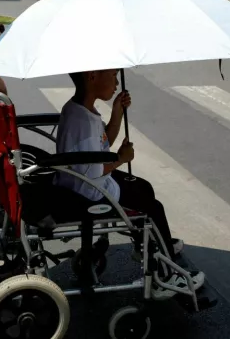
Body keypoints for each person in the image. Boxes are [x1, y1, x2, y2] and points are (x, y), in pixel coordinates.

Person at [57, 69, 205, 299]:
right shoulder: (83, 122)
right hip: (90, 192)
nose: (116, 82)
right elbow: (95, 168)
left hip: (86, 183)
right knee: (153, 208)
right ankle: (165, 276)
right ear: (92, 76)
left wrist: (116, 112)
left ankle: (153, 243)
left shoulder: (79, 110)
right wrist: (120, 159)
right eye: (113, 75)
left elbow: (102, 145)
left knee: (143, 187)